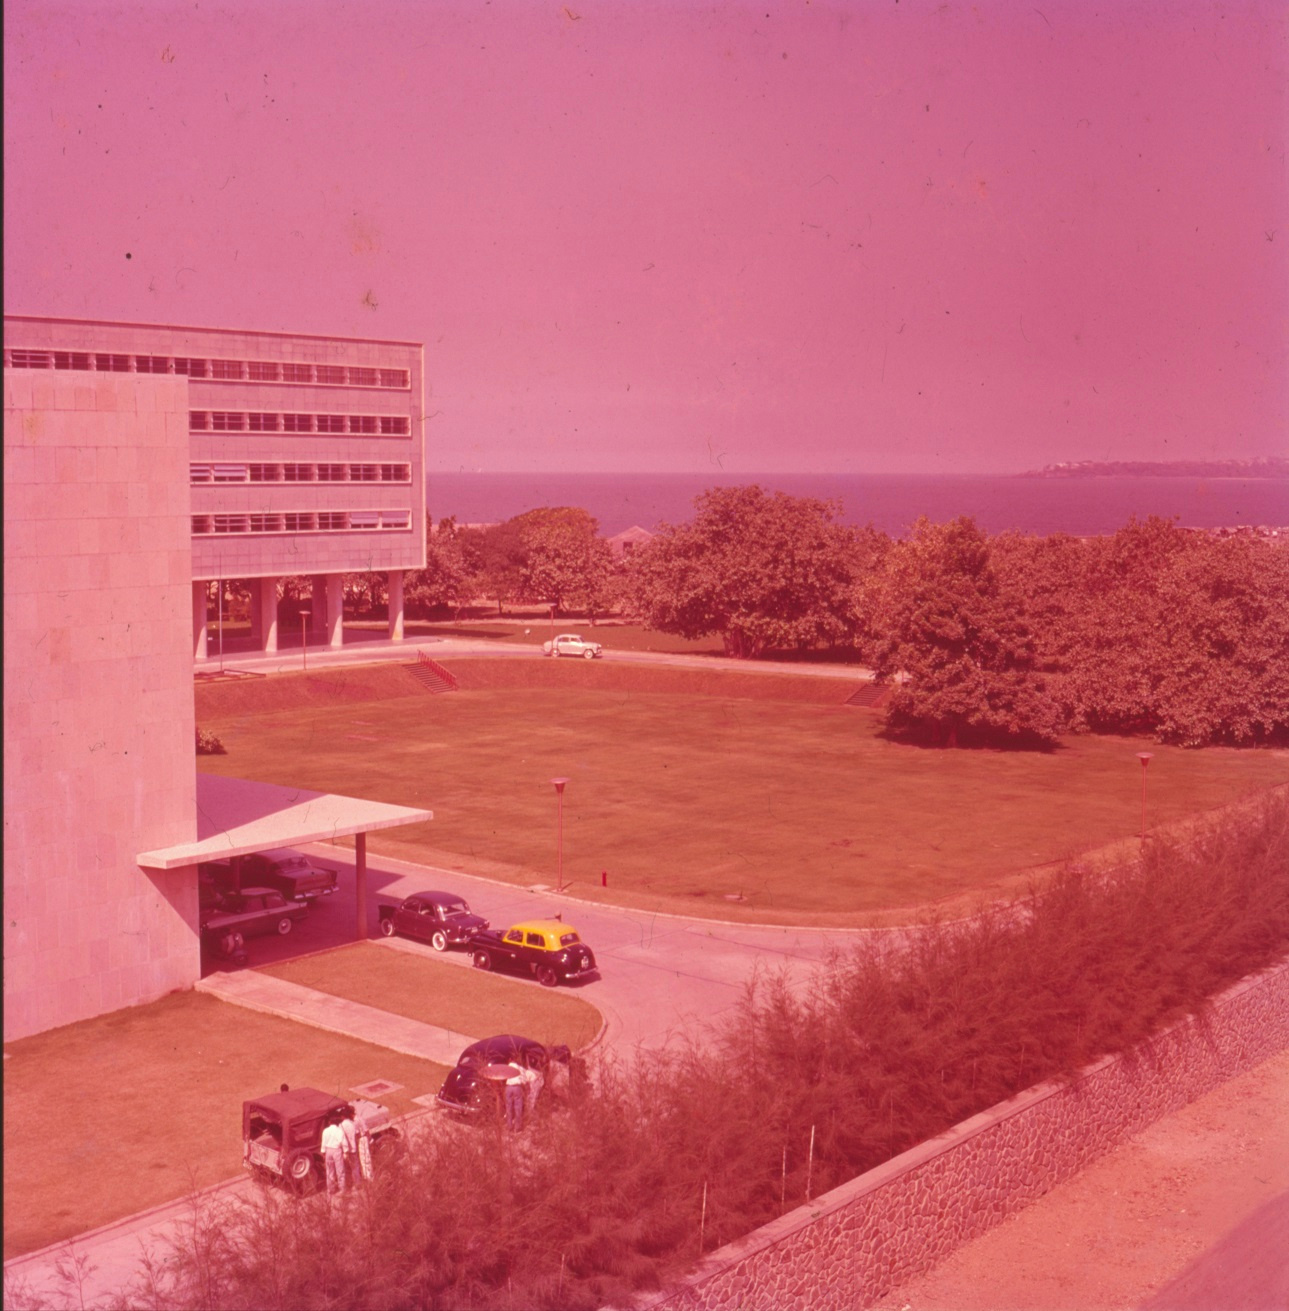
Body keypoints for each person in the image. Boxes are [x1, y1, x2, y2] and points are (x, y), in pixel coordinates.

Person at [321, 1113, 346, 1195]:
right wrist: (345, 1151)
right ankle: (342, 1188)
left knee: (330, 1171)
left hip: (328, 1151)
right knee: (340, 1170)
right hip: (336, 1150)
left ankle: (331, 1189)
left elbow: (323, 1142)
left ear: (329, 1122)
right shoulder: (339, 1130)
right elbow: (343, 1142)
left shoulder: (325, 1131)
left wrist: (323, 1152)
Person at [339, 1104, 359, 1187]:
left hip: (346, 1151)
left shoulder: (341, 1125)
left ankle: (349, 1184)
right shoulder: (352, 1124)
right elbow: (356, 1134)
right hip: (354, 1148)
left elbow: (342, 1138)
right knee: (355, 1167)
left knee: (347, 1168)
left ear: (343, 1116)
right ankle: (357, 1183)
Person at [503, 1062, 526, 1131]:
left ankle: (509, 1126)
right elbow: (524, 1080)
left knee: (508, 1106)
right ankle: (517, 1127)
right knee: (518, 1106)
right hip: (517, 1087)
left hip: (508, 1087)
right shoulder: (521, 1068)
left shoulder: (509, 1065)